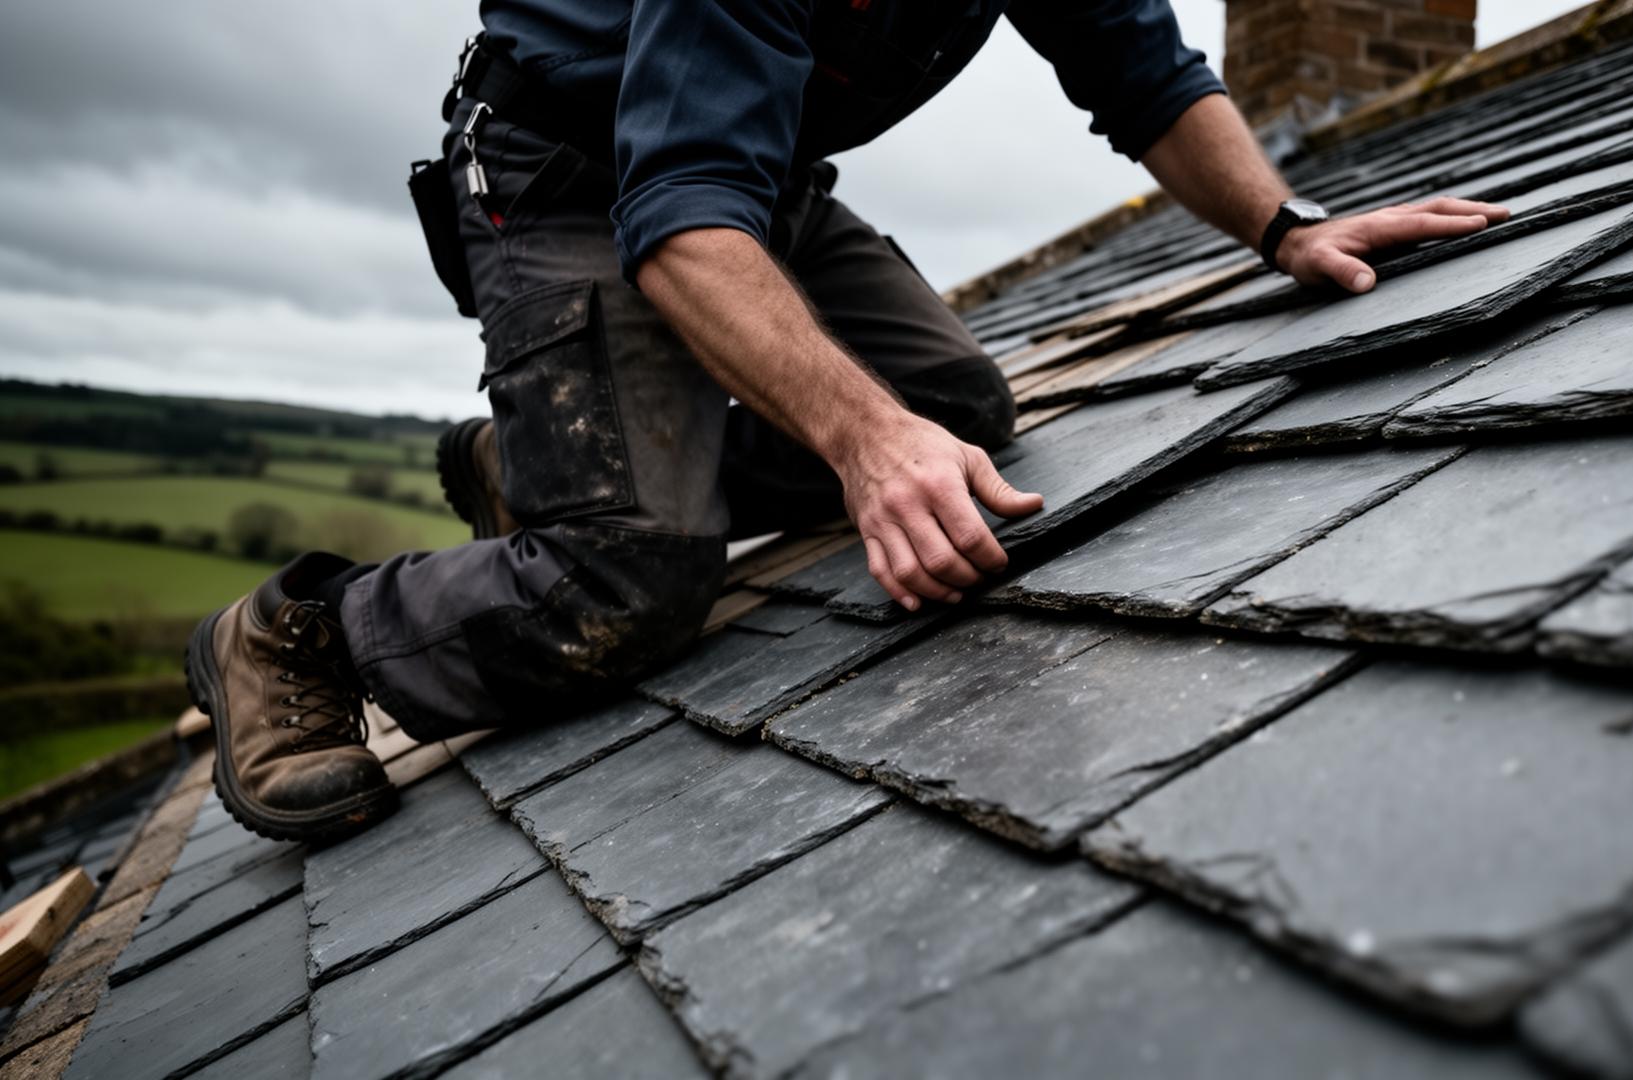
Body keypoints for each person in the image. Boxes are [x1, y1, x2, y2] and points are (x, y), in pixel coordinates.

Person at [186, 0, 1508, 842]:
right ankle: (303, 633)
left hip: (744, 168)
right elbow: (680, 213)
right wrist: (862, 448)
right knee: (633, 577)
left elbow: (1142, 71)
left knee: (955, 413)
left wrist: (1287, 226)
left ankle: (536, 465)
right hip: (565, 167)